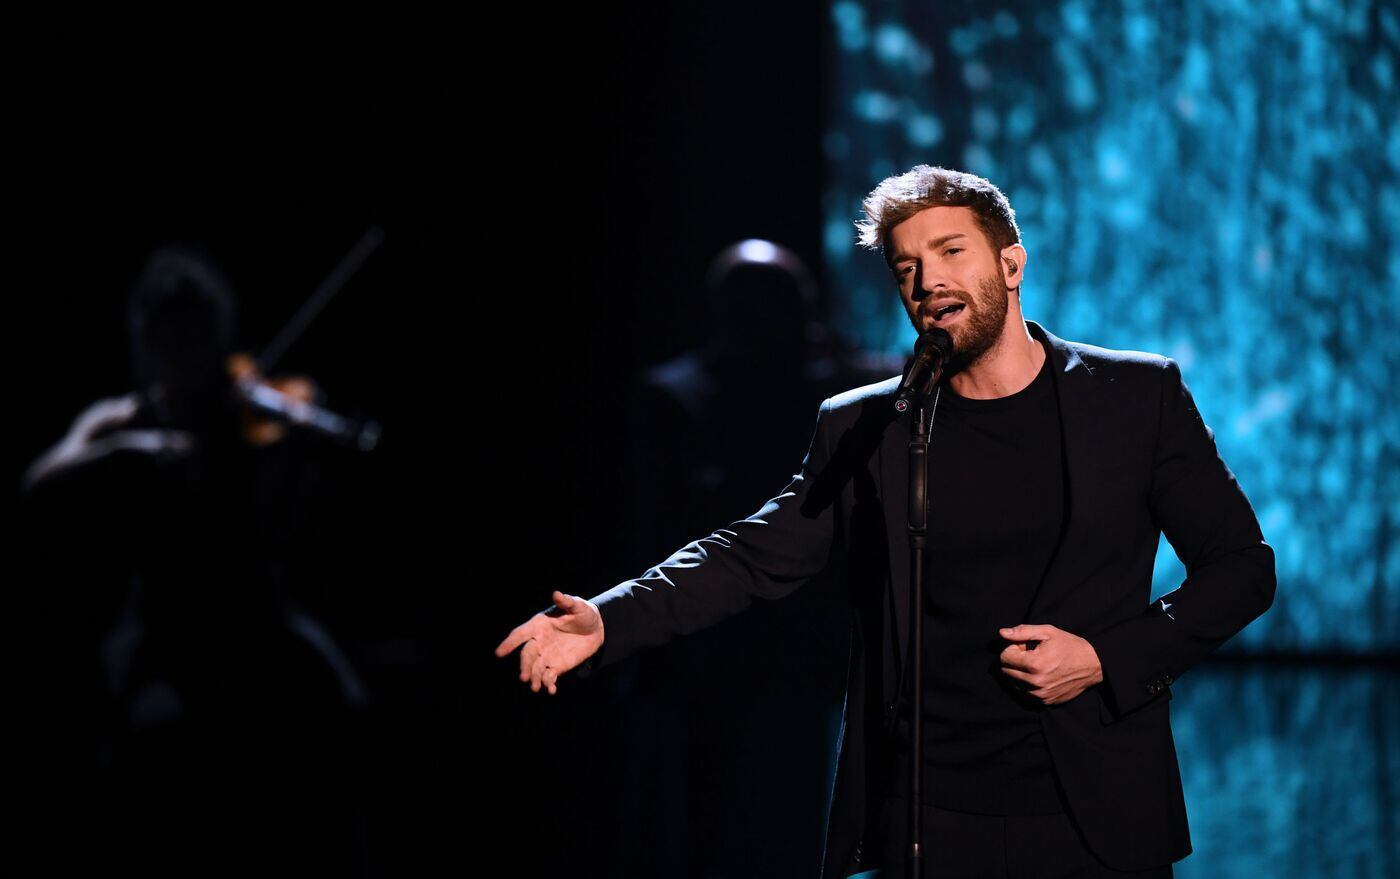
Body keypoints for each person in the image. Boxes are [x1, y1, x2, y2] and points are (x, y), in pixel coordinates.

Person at [494, 166, 1276, 878]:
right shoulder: (871, 425)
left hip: (1096, 814)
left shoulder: (1135, 398)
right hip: (931, 819)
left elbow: (1242, 567)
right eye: (907, 267)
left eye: (950, 251)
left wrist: (1104, 657)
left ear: (1011, 264)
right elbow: (752, 552)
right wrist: (610, 618)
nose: (928, 280)